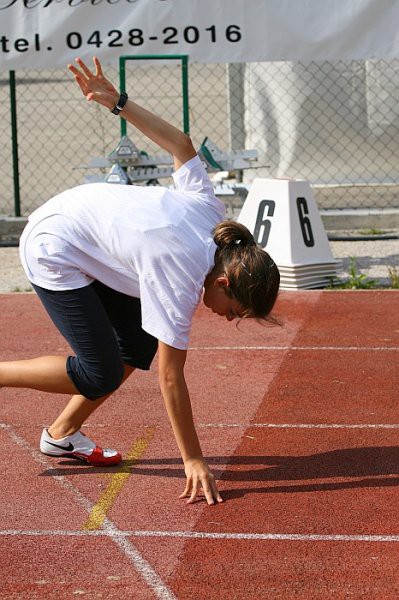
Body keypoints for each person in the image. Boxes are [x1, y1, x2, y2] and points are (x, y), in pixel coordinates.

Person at [1, 57, 280, 506]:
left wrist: (119, 103)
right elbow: (172, 380)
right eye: (235, 312)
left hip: (84, 223)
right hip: (55, 245)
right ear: (225, 281)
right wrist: (193, 459)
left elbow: (181, 144)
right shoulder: (183, 271)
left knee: (136, 345)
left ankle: (61, 434)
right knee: (100, 373)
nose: (229, 320)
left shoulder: (210, 216)